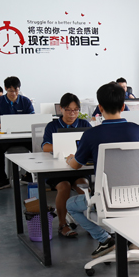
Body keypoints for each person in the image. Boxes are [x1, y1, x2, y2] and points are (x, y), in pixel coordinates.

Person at [65, 83, 139, 258]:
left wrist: (70, 158)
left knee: (70, 205)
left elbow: (75, 165)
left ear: (100, 108)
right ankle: (134, 241)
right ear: (123, 107)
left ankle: (104, 239)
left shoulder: (91, 134)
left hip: (106, 200)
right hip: (138, 197)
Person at [41, 93, 92, 238]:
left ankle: (89, 222)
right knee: (64, 186)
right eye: (68, 110)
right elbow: (45, 147)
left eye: (75, 110)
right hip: (57, 169)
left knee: (84, 186)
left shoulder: (84, 125)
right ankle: (62, 224)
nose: (72, 113)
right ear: (61, 109)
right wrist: (65, 146)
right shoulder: (52, 126)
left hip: (78, 167)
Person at [0, 76, 35, 190]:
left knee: (38, 146)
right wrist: (7, 126)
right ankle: (3, 179)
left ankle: (30, 175)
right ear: (5, 89)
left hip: (24, 136)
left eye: (16, 90)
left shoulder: (25, 101)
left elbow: (33, 121)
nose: (13, 93)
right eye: (10, 91)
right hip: (6, 137)